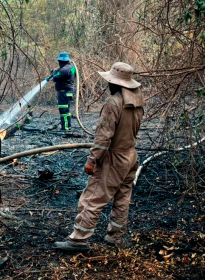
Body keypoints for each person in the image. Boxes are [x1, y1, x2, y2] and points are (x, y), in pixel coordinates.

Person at [54, 62, 144, 251]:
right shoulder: (136, 99)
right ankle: (115, 238)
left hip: (114, 159)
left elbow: (104, 137)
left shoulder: (114, 103)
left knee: (93, 198)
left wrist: (92, 160)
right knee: (122, 199)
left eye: (110, 81)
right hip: (131, 156)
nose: (108, 84)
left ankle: (78, 240)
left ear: (116, 83)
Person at [49, 52, 76, 132]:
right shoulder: (72, 67)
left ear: (61, 61)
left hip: (64, 93)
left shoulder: (64, 69)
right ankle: (66, 126)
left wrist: (54, 71)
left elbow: (55, 78)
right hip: (69, 92)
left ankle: (66, 128)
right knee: (66, 110)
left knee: (63, 110)